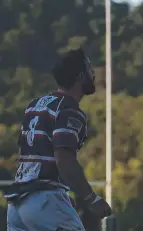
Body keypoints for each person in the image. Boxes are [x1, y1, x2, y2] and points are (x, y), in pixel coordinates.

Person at [4, 48, 112, 231]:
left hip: (17, 204)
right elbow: (64, 160)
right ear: (80, 76)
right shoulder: (69, 109)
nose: (93, 74)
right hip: (44, 200)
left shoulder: (34, 105)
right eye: (89, 69)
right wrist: (91, 199)